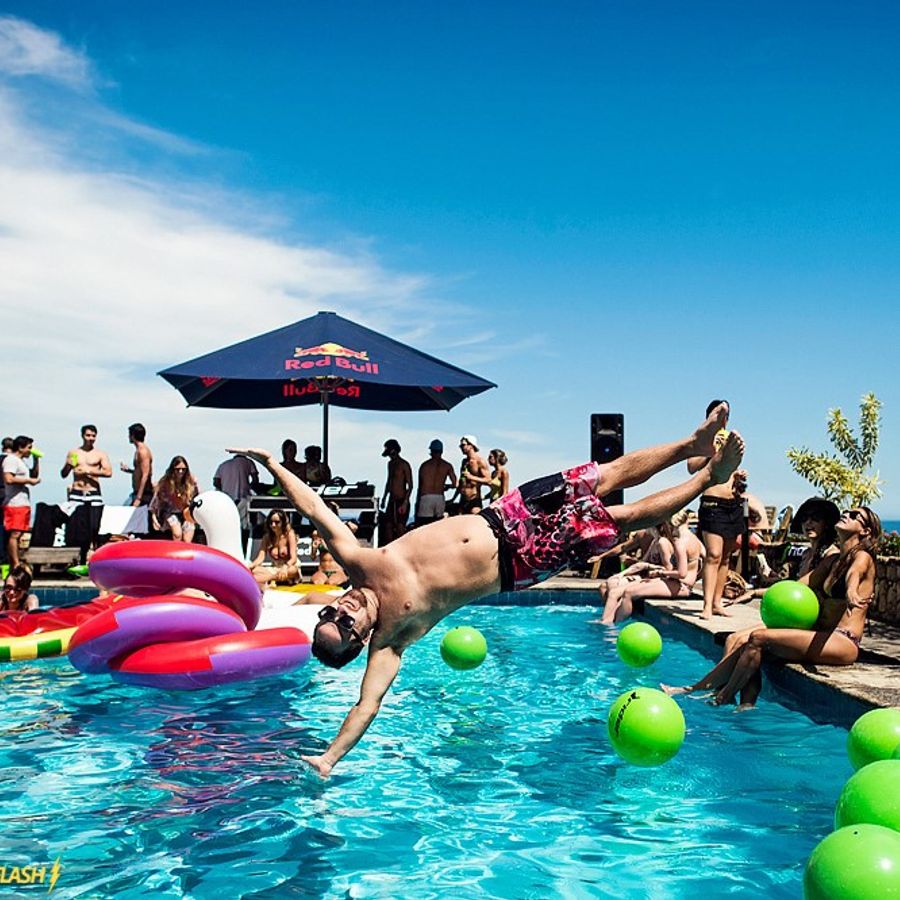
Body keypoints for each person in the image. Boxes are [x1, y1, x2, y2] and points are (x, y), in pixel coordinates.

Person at [227, 402, 743, 776]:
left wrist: (273, 465)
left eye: (331, 614)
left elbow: (315, 508)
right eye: (345, 624)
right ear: (361, 639)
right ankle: (707, 479)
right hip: (520, 560)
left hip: (505, 512)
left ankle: (691, 446)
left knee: (602, 477)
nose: (342, 609)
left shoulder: (360, 563)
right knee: (621, 518)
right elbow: (366, 706)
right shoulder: (392, 639)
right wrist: (328, 758)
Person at [663, 505, 881, 708]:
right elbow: (796, 587)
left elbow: (854, 575)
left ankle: (717, 696)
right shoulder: (833, 561)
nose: (847, 514)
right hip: (821, 634)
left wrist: (851, 592)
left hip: (843, 640)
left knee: (759, 638)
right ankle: (740, 703)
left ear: (866, 531)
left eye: (855, 516)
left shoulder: (862, 557)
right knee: (743, 642)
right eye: (847, 511)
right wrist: (754, 592)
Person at [689, 400, 747, 619]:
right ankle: (706, 605)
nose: (724, 419)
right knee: (713, 554)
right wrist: (713, 451)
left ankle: (717, 602)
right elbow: (691, 466)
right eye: (719, 414)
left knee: (725, 557)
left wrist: (738, 476)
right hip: (712, 503)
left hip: (732, 503)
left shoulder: (731, 438)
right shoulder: (702, 438)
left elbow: (730, 471)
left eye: (726, 415)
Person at [599, 510, 704, 624]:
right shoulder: (695, 540)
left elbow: (682, 573)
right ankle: (608, 621)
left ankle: (614, 626)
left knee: (628, 593)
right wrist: (694, 577)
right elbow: (707, 560)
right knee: (622, 591)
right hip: (682, 584)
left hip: (680, 585)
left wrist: (660, 573)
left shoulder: (680, 543)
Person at [60, 424, 112, 557]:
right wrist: (68, 466)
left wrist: (88, 471)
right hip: (77, 492)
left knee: (95, 526)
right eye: (88, 435)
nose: (91, 438)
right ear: (82, 436)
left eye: (93, 436)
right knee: (75, 527)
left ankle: (95, 554)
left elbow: (108, 472)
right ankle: (78, 557)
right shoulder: (74, 453)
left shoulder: (100, 454)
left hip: (93, 493)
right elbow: (63, 474)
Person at [2, 436, 40, 569]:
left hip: (23, 503)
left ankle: (15, 561)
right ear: (20, 447)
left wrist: (36, 460)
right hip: (15, 503)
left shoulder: (20, 462)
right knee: (15, 534)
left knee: (19, 534)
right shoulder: (11, 460)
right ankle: (15, 564)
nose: (31, 450)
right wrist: (28, 481)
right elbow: (8, 479)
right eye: (29, 447)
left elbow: (33, 475)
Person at [213, 452, 261, 551]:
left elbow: (216, 481)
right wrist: (252, 487)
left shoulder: (223, 465)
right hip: (242, 498)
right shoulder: (248, 462)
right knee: (243, 528)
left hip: (227, 500)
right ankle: (243, 549)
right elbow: (255, 479)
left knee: (228, 526)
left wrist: (223, 489)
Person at [149, 456, 199, 542]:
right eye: (177, 469)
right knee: (177, 534)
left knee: (187, 538)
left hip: (186, 512)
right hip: (170, 512)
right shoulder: (165, 483)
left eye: (183, 469)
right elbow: (156, 501)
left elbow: (197, 498)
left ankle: (186, 550)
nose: (180, 471)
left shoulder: (190, 482)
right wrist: (154, 518)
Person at [249, 510, 299, 585]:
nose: (273, 525)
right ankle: (274, 578)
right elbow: (260, 558)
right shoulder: (267, 537)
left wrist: (285, 567)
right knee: (255, 570)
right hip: (275, 568)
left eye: (277, 522)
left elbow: (293, 558)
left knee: (293, 570)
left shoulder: (289, 534)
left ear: (283, 522)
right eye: (271, 522)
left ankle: (266, 579)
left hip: (289, 566)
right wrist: (250, 566)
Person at [415, 439, 457, 525]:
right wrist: (447, 486)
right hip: (439, 497)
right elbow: (455, 484)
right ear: (441, 451)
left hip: (426, 497)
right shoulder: (447, 466)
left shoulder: (425, 466)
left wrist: (417, 504)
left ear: (431, 451)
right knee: (438, 525)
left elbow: (420, 486)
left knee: (424, 525)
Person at [379, 439, 412, 544]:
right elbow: (389, 481)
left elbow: (410, 485)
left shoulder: (404, 464)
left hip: (401, 500)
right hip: (391, 500)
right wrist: (384, 498)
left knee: (400, 527)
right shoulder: (390, 464)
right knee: (388, 526)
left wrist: (405, 502)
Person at [121, 423, 153, 507]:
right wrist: (130, 471)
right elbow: (141, 471)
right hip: (137, 493)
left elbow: (146, 474)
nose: (128, 437)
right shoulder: (138, 450)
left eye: (129, 435)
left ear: (133, 436)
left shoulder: (143, 451)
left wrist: (139, 498)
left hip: (143, 495)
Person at [456, 435, 490, 514]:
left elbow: (488, 480)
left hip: (474, 499)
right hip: (463, 500)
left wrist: (471, 477)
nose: (461, 447)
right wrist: (453, 498)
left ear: (471, 445)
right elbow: (461, 482)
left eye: (463, 445)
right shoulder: (464, 462)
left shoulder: (480, 461)